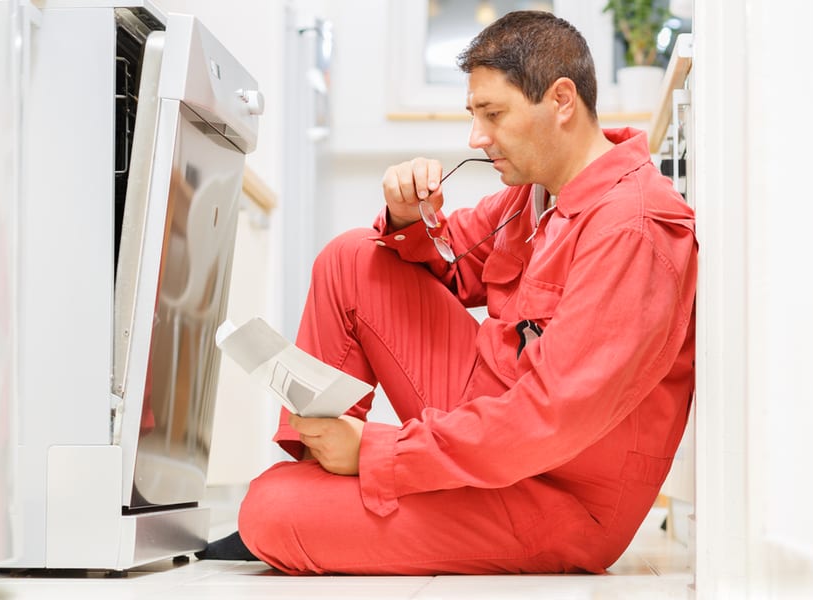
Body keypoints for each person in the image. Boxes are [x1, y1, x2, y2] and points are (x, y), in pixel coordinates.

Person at [204, 10, 697, 575]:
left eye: (493, 114)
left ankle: (318, 499)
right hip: (494, 419)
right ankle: (322, 470)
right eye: (473, 114)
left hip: (555, 494)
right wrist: (407, 214)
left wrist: (377, 450)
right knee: (354, 256)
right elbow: (451, 263)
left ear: (562, 101)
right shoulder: (538, 193)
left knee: (268, 510)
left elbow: (548, 420)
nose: (476, 137)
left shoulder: (630, 226)